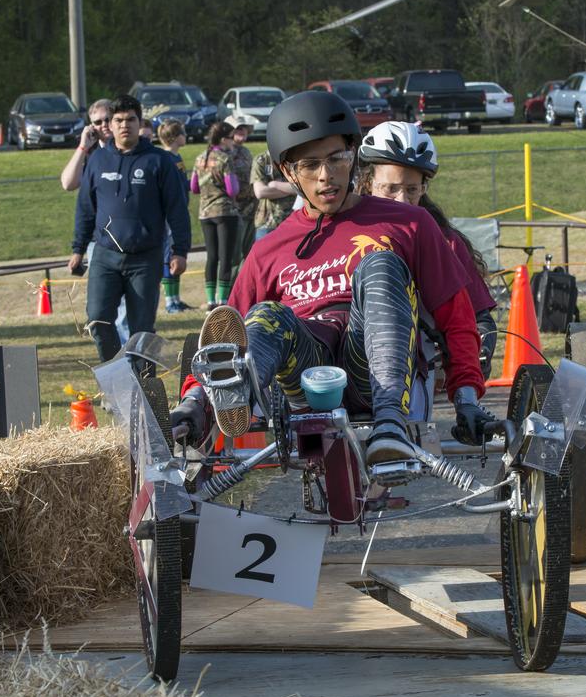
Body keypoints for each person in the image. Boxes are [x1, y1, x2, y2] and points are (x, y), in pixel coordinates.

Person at [172, 91, 495, 468]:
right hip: (306, 378)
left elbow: (457, 319)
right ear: (288, 172)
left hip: (376, 370)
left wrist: (466, 398)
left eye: (336, 159)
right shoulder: (268, 249)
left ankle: (389, 422)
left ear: (353, 156)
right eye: (310, 165)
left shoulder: (410, 223)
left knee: (380, 264)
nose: (326, 175)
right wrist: (192, 400)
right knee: (265, 316)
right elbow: (223, 339)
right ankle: (226, 396)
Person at [357, 121, 499, 377]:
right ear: (368, 183)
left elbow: (480, 318)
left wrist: (476, 355)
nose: (402, 200)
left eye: (412, 190)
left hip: (421, 375)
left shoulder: (446, 241)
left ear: (424, 188)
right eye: (390, 189)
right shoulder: (344, 233)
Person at [70, 95, 191, 361]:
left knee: (142, 331)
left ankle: (144, 383)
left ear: (139, 123)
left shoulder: (159, 161)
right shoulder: (97, 160)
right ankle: (117, 378)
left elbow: (177, 209)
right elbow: (86, 208)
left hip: (145, 258)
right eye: (119, 120)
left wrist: (180, 251)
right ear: (110, 125)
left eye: (130, 120)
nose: (124, 125)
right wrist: (78, 249)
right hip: (105, 255)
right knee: (97, 320)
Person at [189, 121, 240, 310]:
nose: (233, 142)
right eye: (231, 138)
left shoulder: (200, 158)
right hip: (224, 212)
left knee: (211, 257)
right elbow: (232, 189)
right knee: (225, 256)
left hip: (205, 213)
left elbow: (194, 187)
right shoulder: (225, 159)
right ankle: (223, 299)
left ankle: (210, 300)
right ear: (223, 139)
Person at [157, 120, 192, 314]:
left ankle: (177, 299)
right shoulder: (166, 158)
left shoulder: (177, 157)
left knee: (177, 255)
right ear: (175, 137)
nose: (185, 136)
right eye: (183, 133)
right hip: (168, 216)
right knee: (168, 255)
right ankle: (170, 301)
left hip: (179, 211)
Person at [225, 114, 258, 276]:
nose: (242, 131)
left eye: (244, 128)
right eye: (238, 128)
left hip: (250, 208)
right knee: (233, 256)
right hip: (233, 210)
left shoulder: (245, 152)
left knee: (249, 252)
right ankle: (229, 288)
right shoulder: (224, 152)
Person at [60, 98, 114, 192]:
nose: (104, 124)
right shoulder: (89, 151)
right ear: (92, 126)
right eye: (98, 122)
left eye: (108, 119)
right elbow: (68, 184)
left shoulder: (130, 146)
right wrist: (83, 146)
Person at [251, 141, 298, 242]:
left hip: (292, 221)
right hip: (267, 223)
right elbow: (260, 192)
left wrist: (276, 185)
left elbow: (302, 188)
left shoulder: (294, 160)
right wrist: (291, 189)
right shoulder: (262, 160)